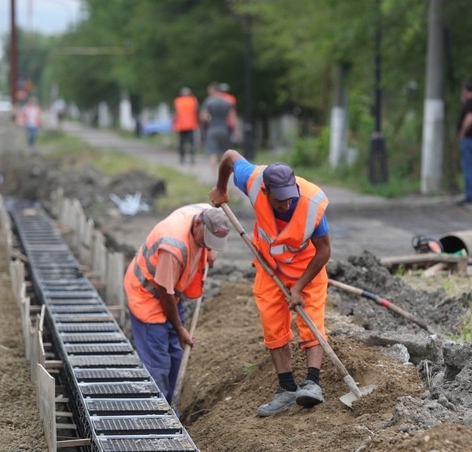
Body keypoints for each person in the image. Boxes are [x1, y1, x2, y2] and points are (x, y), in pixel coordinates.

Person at [209, 150, 331, 417]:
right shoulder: (253, 179)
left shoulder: (312, 204)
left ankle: (312, 384)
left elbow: (324, 252)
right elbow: (229, 156)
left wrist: (298, 287)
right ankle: (287, 388)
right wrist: (221, 188)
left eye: (290, 198)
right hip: (270, 267)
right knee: (273, 324)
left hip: (307, 268)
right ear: (265, 191)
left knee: (312, 321)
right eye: (280, 201)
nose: (287, 205)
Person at [123, 204, 231, 411]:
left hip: (171, 291)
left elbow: (211, 225)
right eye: (205, 240)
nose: (206, 245)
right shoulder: (172, 247)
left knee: (176, 355)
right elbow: (166, 293)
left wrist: (209, 251)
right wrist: (180, 328)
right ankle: (155, 413)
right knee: (158, 363)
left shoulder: (207, 213)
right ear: (198, 223)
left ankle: (171, 408)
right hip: (147, 294)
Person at [200, 83, 238, 174]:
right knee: (224, 153)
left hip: (212, 129)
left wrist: (209, 118)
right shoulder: (227, 102)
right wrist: (235, 130)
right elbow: (232, 117)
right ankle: (224, 174)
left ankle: (214, 174)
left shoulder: (209, 101)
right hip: (224, 129)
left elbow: (203, 116)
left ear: (214, 90)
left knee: (212, 152)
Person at [172, 87, 199, 164]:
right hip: (191, 125)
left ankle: (182, 158)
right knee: (192, 142)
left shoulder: (177, 101)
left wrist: (174, 124)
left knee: (181, 143)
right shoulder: (193, 100)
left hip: (180, 125)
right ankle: (192, 157)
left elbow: (175, 113)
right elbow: (196, 112)